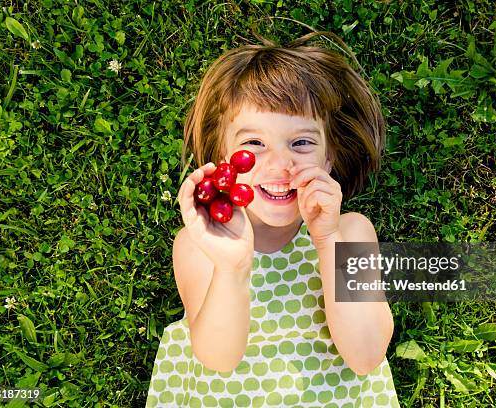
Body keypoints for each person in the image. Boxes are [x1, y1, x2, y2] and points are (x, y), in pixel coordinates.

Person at [146, 29, 400, 407]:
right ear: (222, 160)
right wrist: (231, 269)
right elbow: (218, 359)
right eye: (253, 145)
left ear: (329, 158)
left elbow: (366, 355)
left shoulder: (350, 232)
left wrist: (327, 240)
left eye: (301, 143)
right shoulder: (202, 246)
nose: (281, 165)